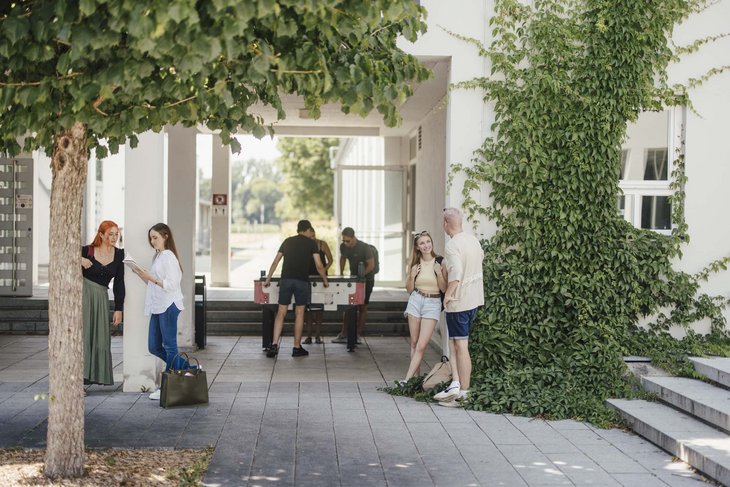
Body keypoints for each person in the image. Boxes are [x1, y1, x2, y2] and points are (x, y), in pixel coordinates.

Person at [433, 208, 484, 407]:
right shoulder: (473, 240)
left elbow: (456, 273)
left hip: (459, 303)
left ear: (446, 224)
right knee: (456, 344)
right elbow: (479, 260)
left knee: (461, 347)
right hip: (474, 300)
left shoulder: (452, 245)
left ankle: (464, 393)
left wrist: (448, 295)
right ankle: (456, 385)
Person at [131, 223, 185, 401]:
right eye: (151, 238)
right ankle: (189, 369)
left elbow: (171, 284)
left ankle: (167, 388)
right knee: (154, 346)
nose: (152, 241)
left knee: (170, 347)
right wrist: (142, 275)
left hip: (169, 305)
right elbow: (155, 285)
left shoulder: (169, 256)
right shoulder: (158, 257)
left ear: (165, 236)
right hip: (157, 305)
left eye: (155, 237)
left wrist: (151, 277)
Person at [263, 219, 329, 358]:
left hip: (286, 280)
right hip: (301, 281)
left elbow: (276, 261)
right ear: (307, 230)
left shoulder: (287, 241)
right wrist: (324, 280)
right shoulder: (311, 243)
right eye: (310, 230)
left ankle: (274, 345)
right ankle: (296, 347)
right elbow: (319, 265)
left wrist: (268, 279)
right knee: (299, 313)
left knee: (281, 312)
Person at [398, 231, 447, 384]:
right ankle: (414, 380)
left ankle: (406, 381)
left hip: (433, 303)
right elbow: (409, 289)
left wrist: (439, 274)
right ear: (417, 247)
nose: (426, 245)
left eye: (428, 242)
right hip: (416, 300)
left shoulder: (440, 262)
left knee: (421, 345)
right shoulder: (415, 263)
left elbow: (444, 289)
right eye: (422, 243)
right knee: (413, 343)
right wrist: (412, 276)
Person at [81, 220, 125, 386]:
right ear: (101, 235)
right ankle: (79, 381)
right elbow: (63, 257)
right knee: (84, 335)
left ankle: (96, 376)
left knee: (100, 336)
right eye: (110, 234)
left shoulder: (120, 255)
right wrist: (79, 259)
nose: (114, 237)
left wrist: (119, 309)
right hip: (83, 296)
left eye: (116, 234)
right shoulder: (87, 250)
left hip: (101, 297)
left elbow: (119, 284)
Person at [332, 227, 375, 344]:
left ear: (354, 237)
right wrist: (341, 273)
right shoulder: (344, 247)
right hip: (353, 280)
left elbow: (371, 265)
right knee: (348, 306)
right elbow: (343, 258)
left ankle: (358, 334)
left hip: (367, 280)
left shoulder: (364, 247)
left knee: (362, 307)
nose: (345, 243)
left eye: (348, 241)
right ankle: (344, 333)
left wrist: (361, 275)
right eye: (344, 241)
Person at [304, 228, 333, 345]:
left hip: (321, 279)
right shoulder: (305, 246)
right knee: (307, 308)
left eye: (313, 236)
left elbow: (330, 260)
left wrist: (323, 272)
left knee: (320, 308)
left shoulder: (322, 244)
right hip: (307, 278)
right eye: (310, 236)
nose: (312, 238)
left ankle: (318, 336)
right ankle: (309, 335)